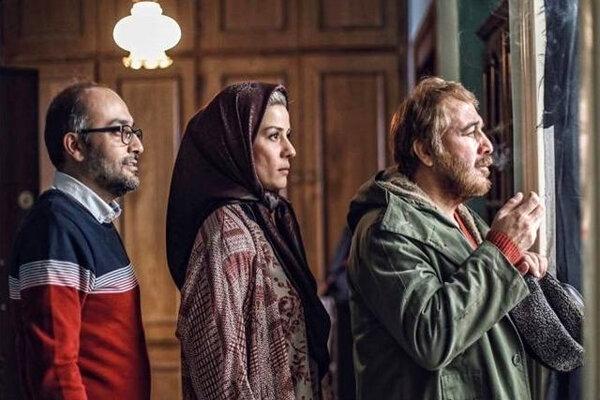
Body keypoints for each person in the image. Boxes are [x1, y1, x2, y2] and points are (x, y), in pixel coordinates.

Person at [346, 77, 547, 399]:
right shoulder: (384, 232)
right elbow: (432, 336)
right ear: (426, 151)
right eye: (469, 132)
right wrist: (501, 251)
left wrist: (515, 267)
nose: (487, 145)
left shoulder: (464, 220)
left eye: (482, 130)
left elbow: (476, 306)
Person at [166, 82, 331, 399]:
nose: (290, 149)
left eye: (288, 135)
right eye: (274, 136)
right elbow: (219, 375)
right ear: (236, 145)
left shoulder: (265, 219)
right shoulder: (226, 233)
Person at [9, 82, 150, 399]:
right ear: (75, 146)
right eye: (120, 131)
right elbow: (55, 372)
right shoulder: (54, 227)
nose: (137, 146)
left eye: (133, 131)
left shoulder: (92, 220)